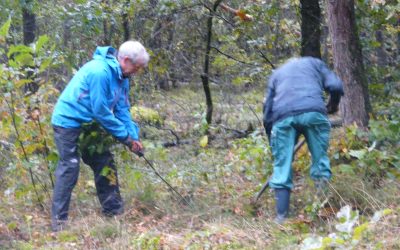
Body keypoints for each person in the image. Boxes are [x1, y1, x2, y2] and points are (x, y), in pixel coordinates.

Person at [51, 41, 150, 232]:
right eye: (136, 67)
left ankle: (113, 212)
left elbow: (122, 109)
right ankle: (59, 225)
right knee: (70, 167)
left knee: (104, 163)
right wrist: (125, 139)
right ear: (126, 60)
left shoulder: (123, 77)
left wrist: (133, 136)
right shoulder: (99, 72)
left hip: (89, 125)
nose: (137, 71)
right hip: (67, 122)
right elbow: (101, 111)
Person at [263, 57, 344, 223]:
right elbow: (335, 86)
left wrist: (273, 140)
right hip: (314, 113)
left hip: (282, 117)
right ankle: (322, 212)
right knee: (320, 161)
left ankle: (281, 218)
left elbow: (267, 112)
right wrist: (332, 106)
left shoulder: (277, 73)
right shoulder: (316, 64)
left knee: (282, 166)